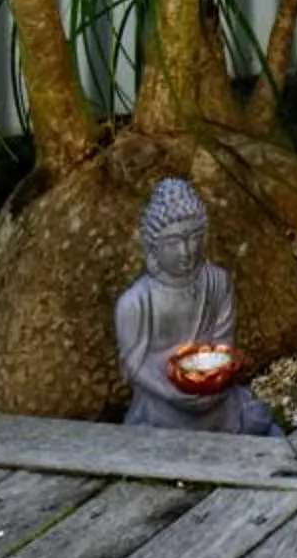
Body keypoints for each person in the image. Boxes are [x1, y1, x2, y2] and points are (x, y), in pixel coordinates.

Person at [114, 175, 280, 434]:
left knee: (260, 422)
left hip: (214, 394)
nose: (186, 251)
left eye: (194, 237)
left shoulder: (217, 281)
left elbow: (222, 344)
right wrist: (173, 394)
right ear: (153, 248)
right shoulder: (136, 302)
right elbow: (134, 365)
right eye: (173, 242)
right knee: (155, 438)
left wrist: (212, 383)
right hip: (161, 401)